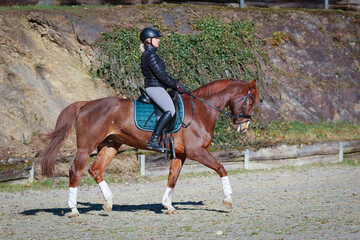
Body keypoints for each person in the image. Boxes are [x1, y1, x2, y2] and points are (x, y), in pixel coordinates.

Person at [140, 27, 187, 152]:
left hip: (158, 87)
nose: (158, 40)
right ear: (148, 40)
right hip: (154, 87)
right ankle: (154, 140)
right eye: (156, 38)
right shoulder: (149, 55)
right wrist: (177, 85)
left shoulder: (151, 54)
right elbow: (161, 75)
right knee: (170, 109)